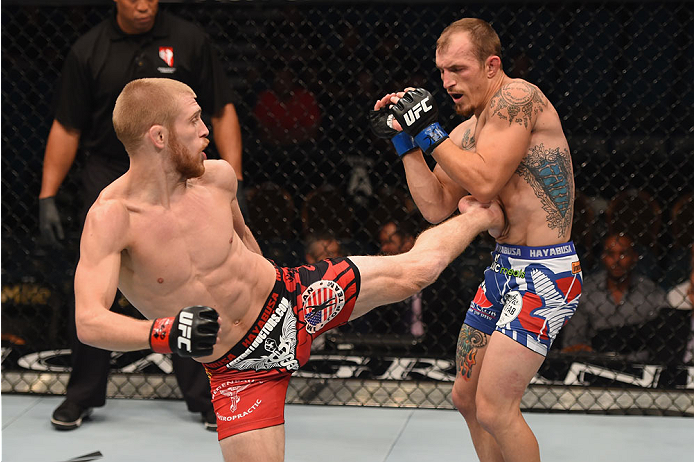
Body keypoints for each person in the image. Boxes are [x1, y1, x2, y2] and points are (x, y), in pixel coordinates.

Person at [75, 77, 504, 462]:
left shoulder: (218, 178)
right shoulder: (113, 218)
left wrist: (278, 293)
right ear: (159, 136)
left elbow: (245, 243)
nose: (207, 130)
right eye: (194, 121)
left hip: (290, 301)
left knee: (417, 271)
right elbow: (89, 322)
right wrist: (164, 332)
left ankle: (484, 214)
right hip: (237, 369)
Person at [370, 18, 582, 462]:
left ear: (491, 65)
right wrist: (406, 144)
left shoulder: (519, 97)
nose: (447, 81)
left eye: (458, 69)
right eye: (442, 71)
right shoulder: (467, 131)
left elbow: (484, 183)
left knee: (496, 408)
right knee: (466, 400)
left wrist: (429, 131)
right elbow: (434, 206)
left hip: (547, 273)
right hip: (505, 269)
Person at [38, 0, 244, 431]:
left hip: (175, 169)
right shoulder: (89, 50)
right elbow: (67, 125)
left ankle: (207, 395)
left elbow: (222, 108)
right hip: (111, 172)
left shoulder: (189, 40)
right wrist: (48, 194)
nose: (143, 4)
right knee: (98, 286)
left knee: (188, 268)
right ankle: (83, 395)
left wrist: (232, 183)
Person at [560, 233, 666, 357]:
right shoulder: (585, 291)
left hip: (639, 366)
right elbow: (573, 342)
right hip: (592, 363)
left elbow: (660, 344)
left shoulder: (652, 293)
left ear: (635, 257)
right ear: (603, 257)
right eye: (611, 254)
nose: (617, 261)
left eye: (623, 254)